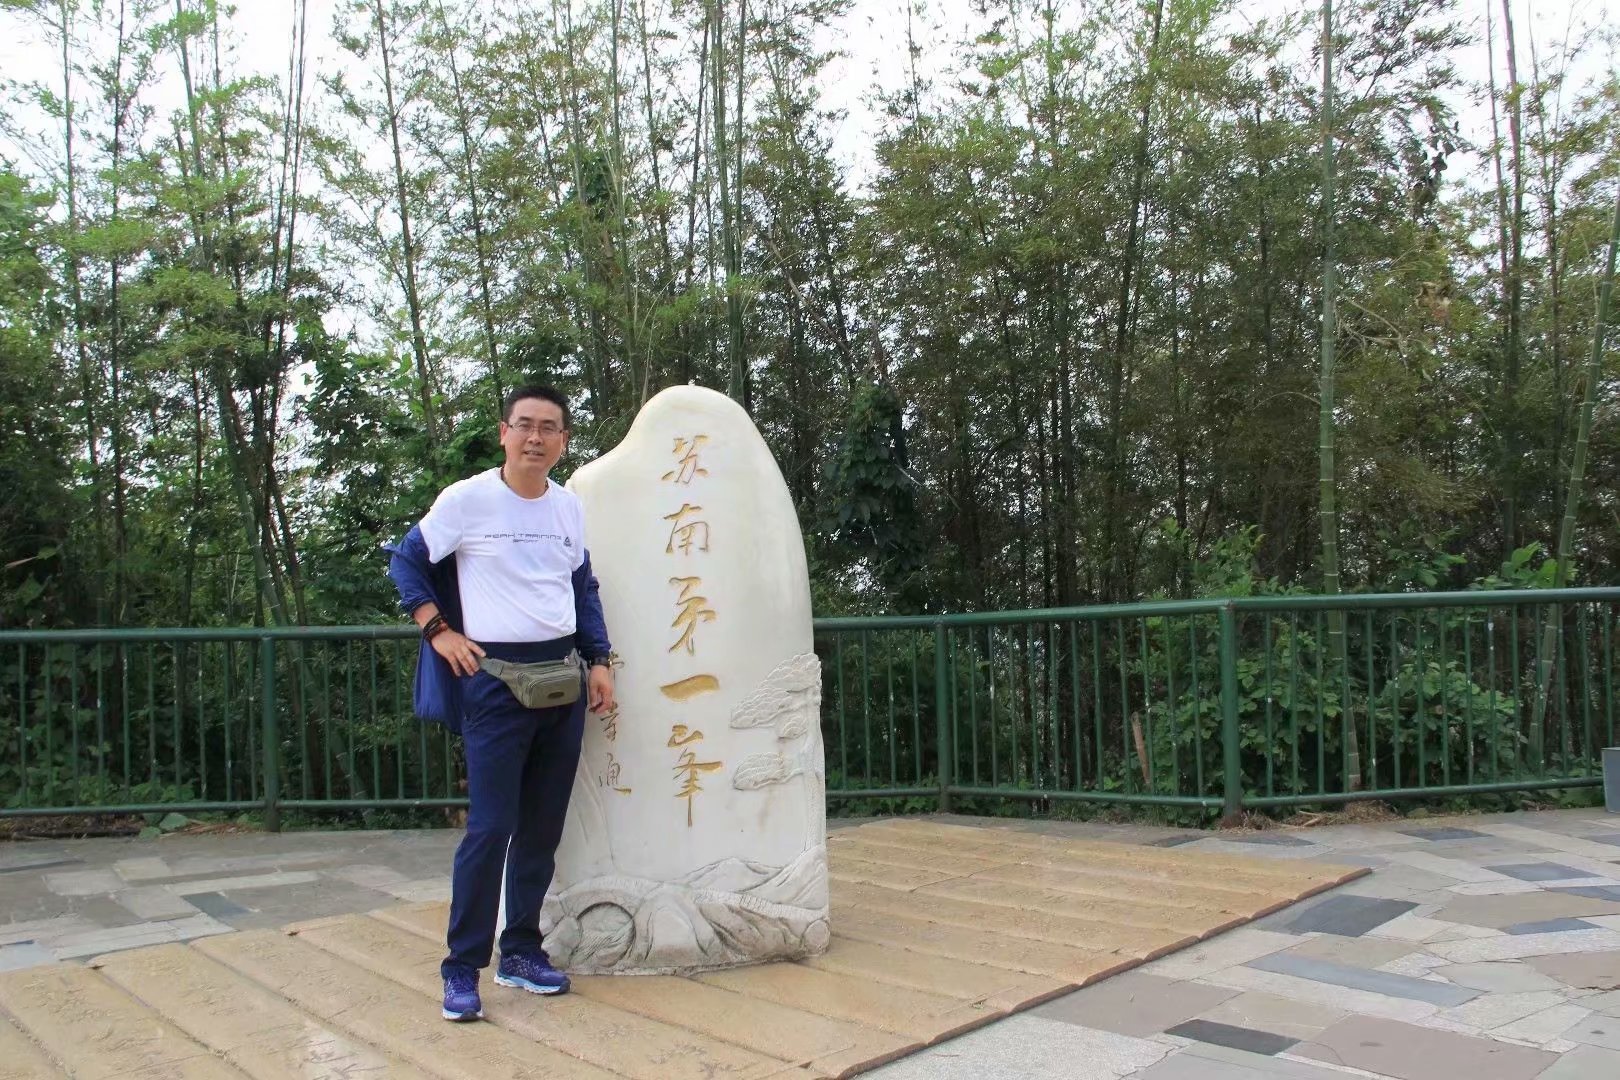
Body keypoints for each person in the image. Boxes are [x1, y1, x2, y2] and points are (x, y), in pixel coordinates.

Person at [387, 385, 615, 1022]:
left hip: (563, 682)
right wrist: (438, 630)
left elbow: (582, 587)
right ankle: (462, 967)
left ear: (563, 440)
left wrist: (600, 659)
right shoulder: (468, 499)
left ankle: (521, 951)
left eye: (550, 428)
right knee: (490, 829)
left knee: (542, 828)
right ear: (504, 433)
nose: (536, 438)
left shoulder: (567, 507)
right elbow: (406, 561)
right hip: (494, 683)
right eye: (525, 425)